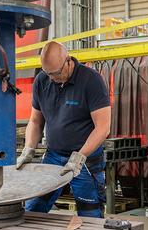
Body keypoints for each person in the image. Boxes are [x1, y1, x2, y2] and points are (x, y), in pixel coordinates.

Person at [17, 41, 111, 218]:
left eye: (56, 73)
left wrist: (79, 157)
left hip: (85, 160)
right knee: (34, 208)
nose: (53, 78)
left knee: (90, 214)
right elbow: (35, 121)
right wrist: (28, 149)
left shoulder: (91, 80)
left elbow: (103, 127)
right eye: (48, 73)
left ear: (68, 61)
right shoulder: (42, 81)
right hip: (53, 156)